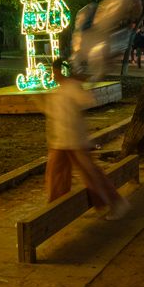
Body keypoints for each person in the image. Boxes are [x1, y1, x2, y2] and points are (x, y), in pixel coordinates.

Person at [43, 59, 130, 219]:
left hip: (73, 140)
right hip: (60, 141)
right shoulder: (62, 89)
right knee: (56, 175)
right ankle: (56, 210)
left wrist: (78, 82)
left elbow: (87, 100)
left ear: (61, 71)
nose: (53, 75)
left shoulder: (71, 87)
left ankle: (116, 202)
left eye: (54, 71)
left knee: (90, 173)